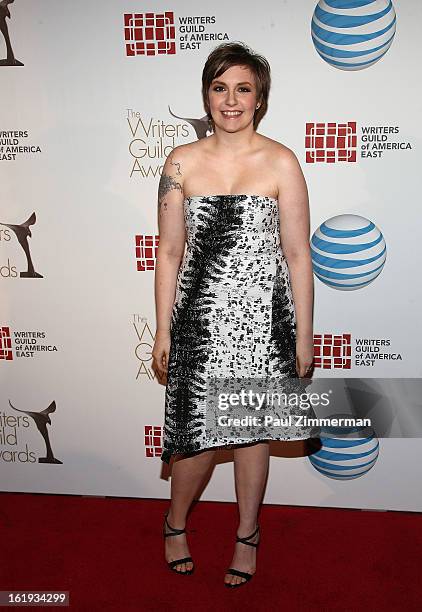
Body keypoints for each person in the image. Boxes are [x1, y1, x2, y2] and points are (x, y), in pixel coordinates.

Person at [152, 41, 315, 588]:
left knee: (251, 436)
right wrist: (162, 329)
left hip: (265, 325)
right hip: (198, 324)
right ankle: (175, 524)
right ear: (206, 94)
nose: (230, 100)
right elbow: (169, 252)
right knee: (193, 439)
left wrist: (304, 337)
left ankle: (248, 534)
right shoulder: (180, 162)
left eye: (243, 88)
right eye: (219, 87)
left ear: (259, 98)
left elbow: (297, 255)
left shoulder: (281, 161)